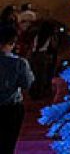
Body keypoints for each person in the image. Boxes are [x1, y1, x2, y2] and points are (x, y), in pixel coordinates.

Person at [0, 24, 34, 154]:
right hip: (10, 108)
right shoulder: (19, 63)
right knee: (8, 143)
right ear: (12, 42)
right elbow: (26, 84)